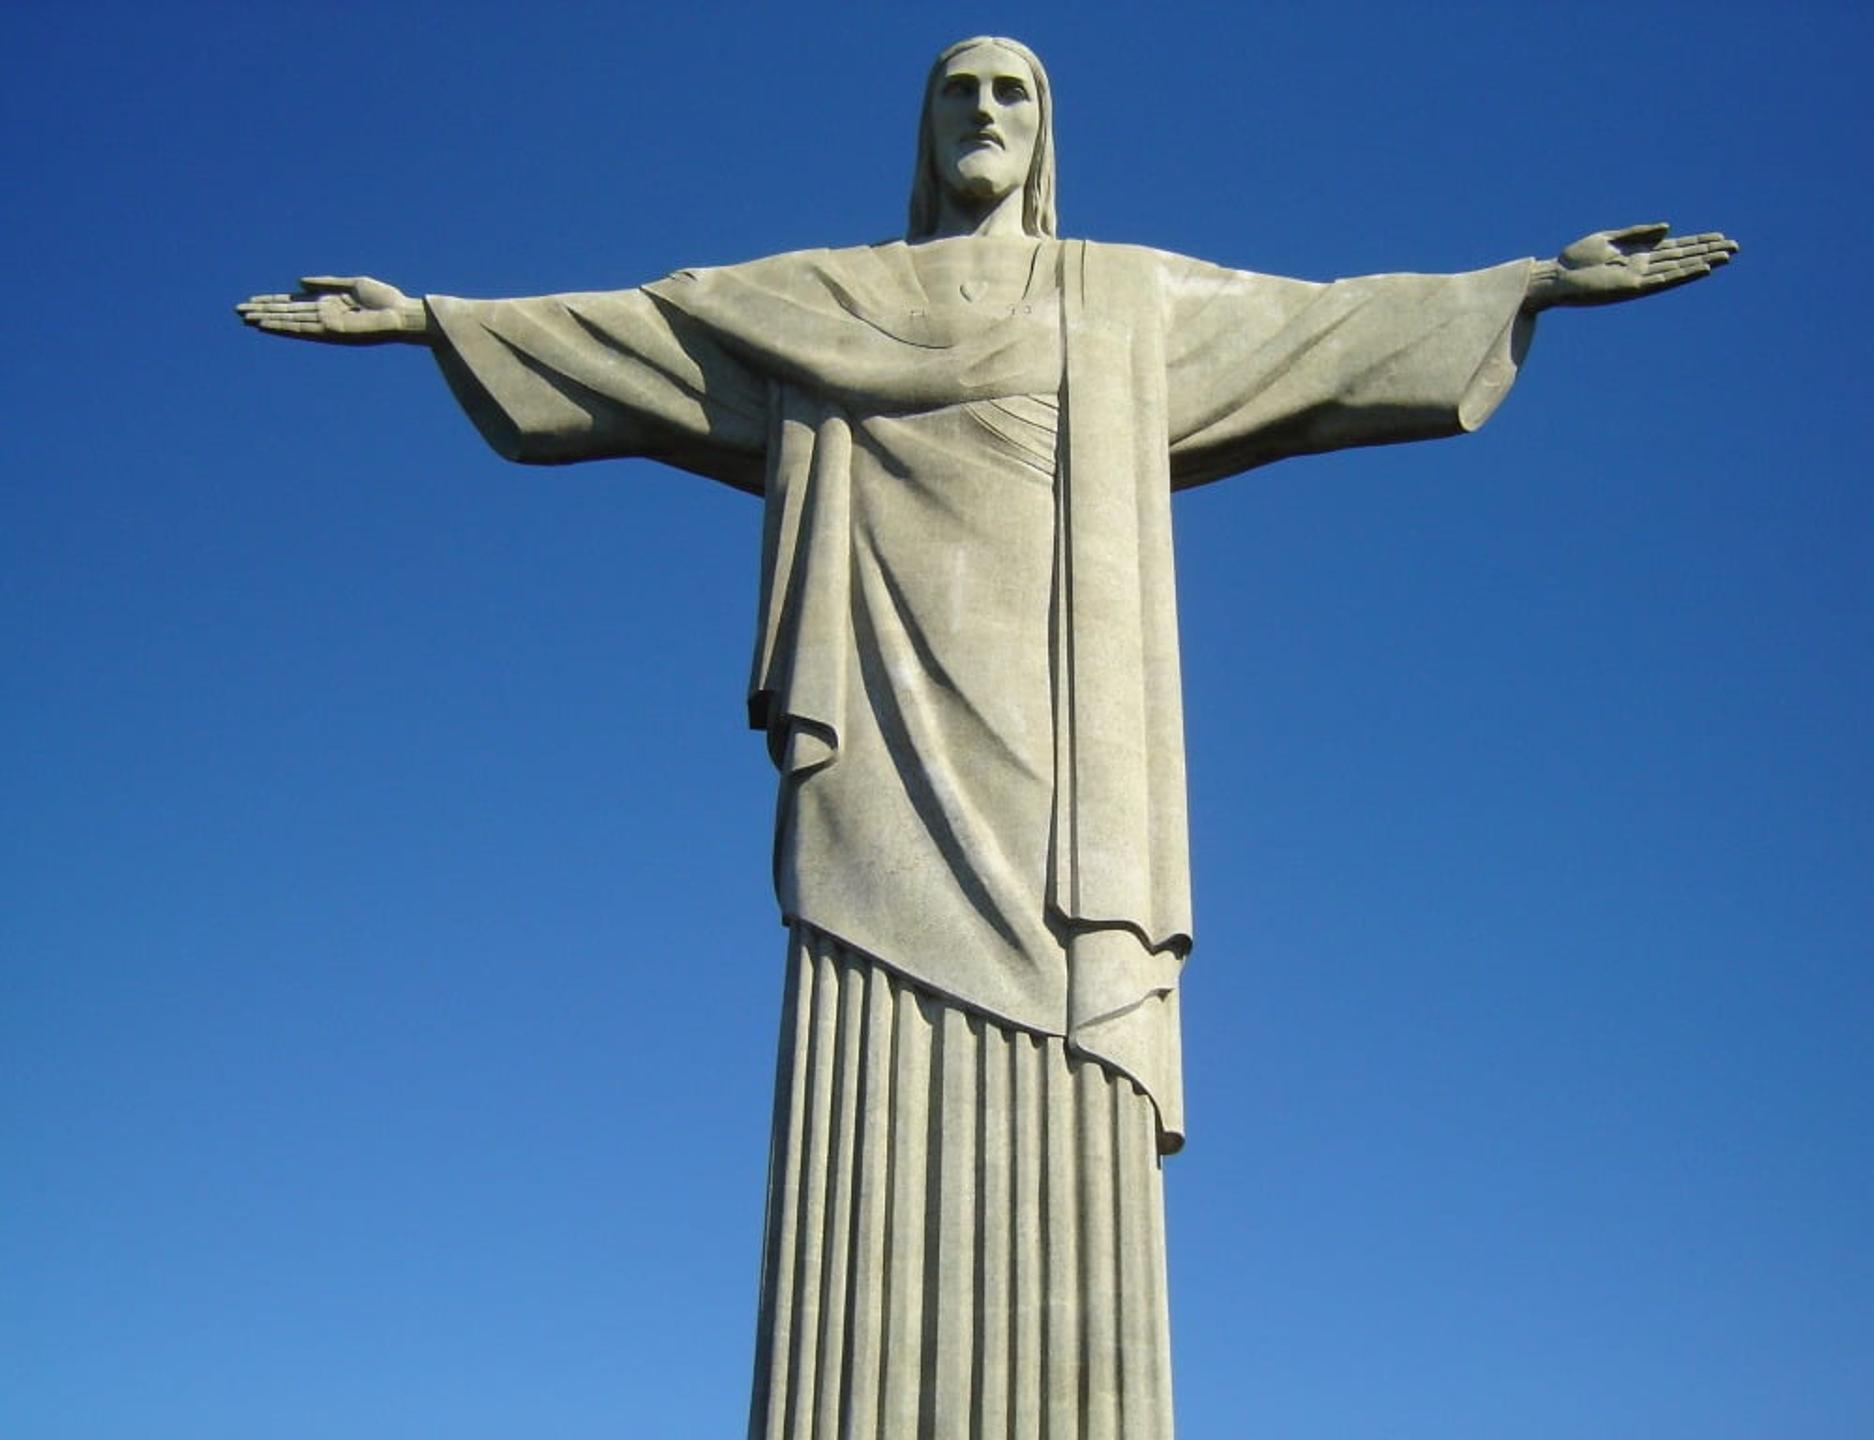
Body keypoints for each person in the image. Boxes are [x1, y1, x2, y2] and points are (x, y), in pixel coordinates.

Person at [238, 35, 1735, 1440]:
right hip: (880, 723)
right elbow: (644, 330)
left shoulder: (1120, 299)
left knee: (1068, 1047)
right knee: (864, 1034)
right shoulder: (817, 302)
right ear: (923, 128)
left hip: (1068, 745)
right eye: (959, 92)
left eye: (1014, 94)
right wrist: (439, 316)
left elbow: (1324, 323)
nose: (987, 117)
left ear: (1046, 132)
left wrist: (1527, 283)